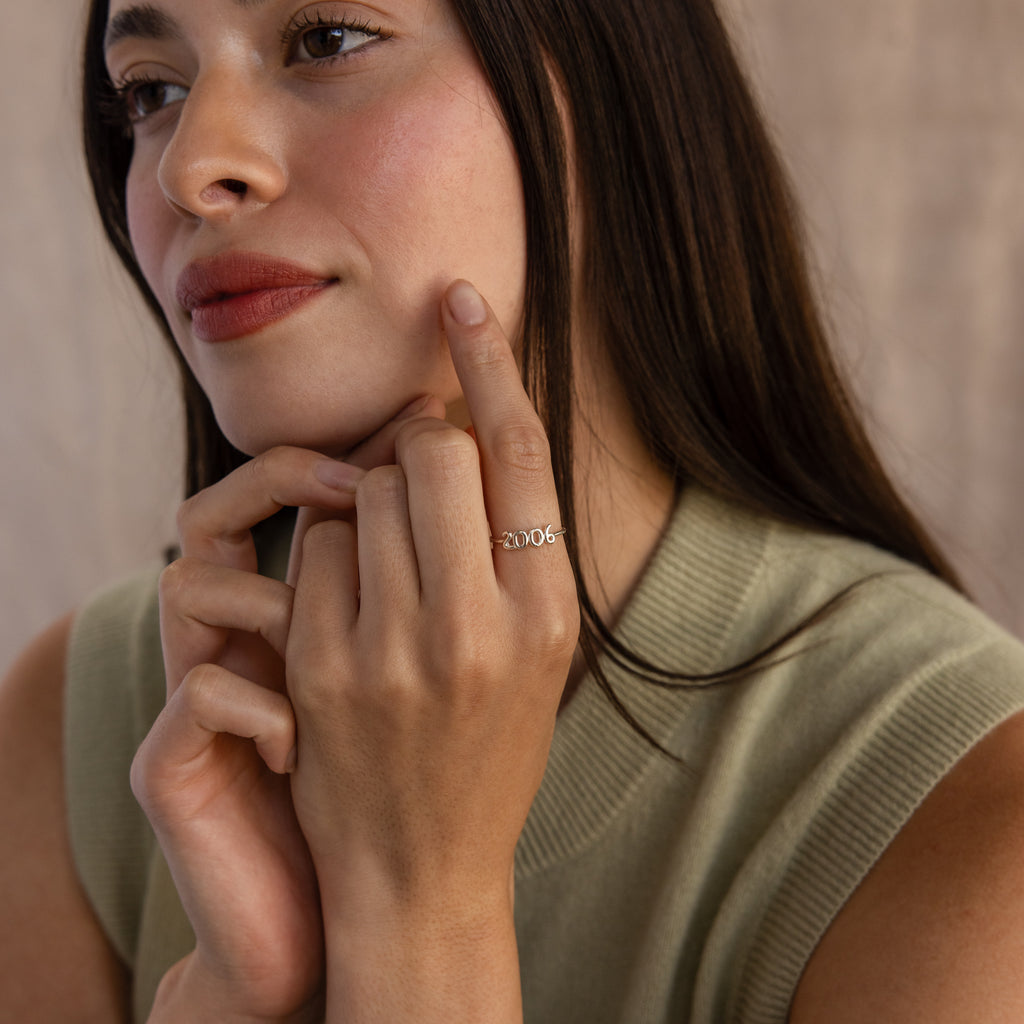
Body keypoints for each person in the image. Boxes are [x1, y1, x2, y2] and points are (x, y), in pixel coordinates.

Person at [3, 0, 1024, 1020]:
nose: (189, 166)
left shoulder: (957, 802)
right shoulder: (81, 725)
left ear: (607, 82)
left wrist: (418, 913)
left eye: (327, 39)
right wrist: (231, 992)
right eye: (151, 91)